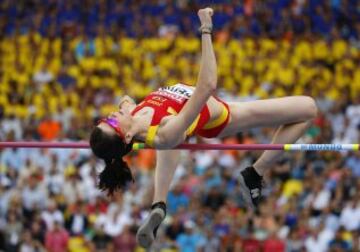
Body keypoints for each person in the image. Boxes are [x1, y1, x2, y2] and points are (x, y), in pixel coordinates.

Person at [89, 8, 318, 248]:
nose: (112, 115)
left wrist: (126, 109)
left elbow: (125, 100)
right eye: (112, 122)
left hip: (161, 131)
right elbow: (207, 85)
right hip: (222, 116)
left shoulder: (132, 114)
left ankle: (159, 204)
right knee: (308, 109)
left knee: (167, 139)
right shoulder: (162, 130)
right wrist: (206, 29)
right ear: (125, 135)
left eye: (106, 118)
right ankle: (255, 172)